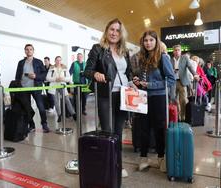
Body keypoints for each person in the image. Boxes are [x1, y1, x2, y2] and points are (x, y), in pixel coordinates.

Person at [84, 18, 132, 179]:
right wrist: (95, 73)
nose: (114, 33)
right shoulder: (98, 49)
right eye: (111, 29)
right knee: (108, 130)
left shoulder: (125, 51)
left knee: (118, 131)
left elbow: (129, 73)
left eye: (117, 30)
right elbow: (87, 70)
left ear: (121, 33)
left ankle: (118, 164)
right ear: (106, 31)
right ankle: (108, 164)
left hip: (124, 94)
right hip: (106, 94)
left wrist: (134, 81)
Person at [133, 30, 175, 171]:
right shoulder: (142, 58)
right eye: (146, 40)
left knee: (158, 129)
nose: (148, 43)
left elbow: (171, 79)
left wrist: (151, 85)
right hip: (143, 97)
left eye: (151, 40)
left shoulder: (163, 57)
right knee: (143, 128)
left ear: (156, 41)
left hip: (158, 97)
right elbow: (142, 78)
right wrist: (137, 81)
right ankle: (143, 158)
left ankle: (161, 158)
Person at [15, 44, 49, 133]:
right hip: (24, 88)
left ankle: (44, 124)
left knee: (41, 107)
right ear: (25, 51)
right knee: (27, 108)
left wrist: (36, 76)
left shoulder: (38, 62)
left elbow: (44, 74)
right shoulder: (21, 62)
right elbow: (17, 75)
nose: (29, 51)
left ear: (33, 51)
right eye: (27, 49)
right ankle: (31, 125)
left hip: (36, 87)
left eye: (30, 49)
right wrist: (18, 85)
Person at [171, 44, 199, 121]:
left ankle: (182, 117)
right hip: (173, 82)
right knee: (173, 99)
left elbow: (190, 67)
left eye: (178, 50)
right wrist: (172, 71)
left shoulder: (184, 58)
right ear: (173, 51)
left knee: (183, 100)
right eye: (175, 50)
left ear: (181, 51)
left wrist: (195, 74)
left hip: (182, 82)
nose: (177, 51)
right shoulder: (170, 59)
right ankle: (176, 117)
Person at [46, 56, 76, 122]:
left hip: (62, 86)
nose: (58, 61)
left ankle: (73, 114)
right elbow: (47, 78)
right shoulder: (51, 68)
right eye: (57, 60)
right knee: (56, 102)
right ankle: (59, 115)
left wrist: (63, 79)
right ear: (55, 61)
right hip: (54, 86)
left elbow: (68, 78)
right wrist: (55, 79)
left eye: (60, 60)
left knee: (67, 100)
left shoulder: (65, 68)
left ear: (61, 61)